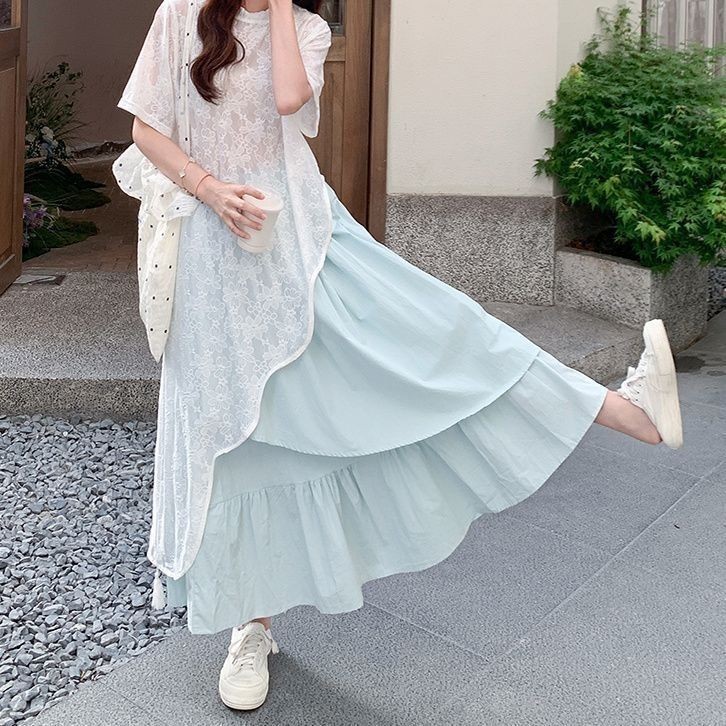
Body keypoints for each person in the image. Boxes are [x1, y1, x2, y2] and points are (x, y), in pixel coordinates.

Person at [115, 0, 684, 712]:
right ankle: (250, 626)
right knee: (239, 435)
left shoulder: (307, 29)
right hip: (211, 254)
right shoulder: (182, 13)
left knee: (440, 333)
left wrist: (282, 8)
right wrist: (209, 189)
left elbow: (289, 99)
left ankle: (621, 408)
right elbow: (146, 128)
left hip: (307, 244)